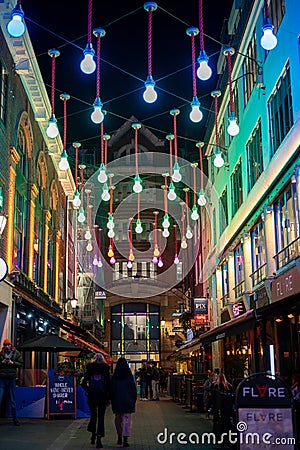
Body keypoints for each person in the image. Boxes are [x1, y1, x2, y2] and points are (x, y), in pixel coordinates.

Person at [81, 353, 111, 449]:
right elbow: (109, 385)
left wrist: (89, 391)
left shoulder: (90, 369)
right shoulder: (106, 369)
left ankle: (93, 434)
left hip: (92, 397)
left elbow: (83, 383)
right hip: (102, 397)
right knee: (101, 417)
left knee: (93, 416)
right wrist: (108, 396)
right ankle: (99, 438)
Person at [110, 357, 137, 448]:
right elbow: (133, 389)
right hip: (128, 400)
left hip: (117, 400)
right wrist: (134, 399)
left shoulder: (114, 377)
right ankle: (125, 438)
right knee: (127, 420)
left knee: (118, 418)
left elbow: (111, 390)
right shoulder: (129, 376)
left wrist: (111, 399)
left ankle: (119, 436)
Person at [0, 339, 23, 426]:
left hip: (10, 378)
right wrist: (2, 362)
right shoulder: (1, 353)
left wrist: (12, 362)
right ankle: (15, 419)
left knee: (12, 400)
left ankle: (15, 419)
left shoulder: (16, 353)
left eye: (8, 345)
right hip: (3, 378)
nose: (6, 347)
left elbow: (20, 363)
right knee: (2, 399)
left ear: (10, 345)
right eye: (5, 345)